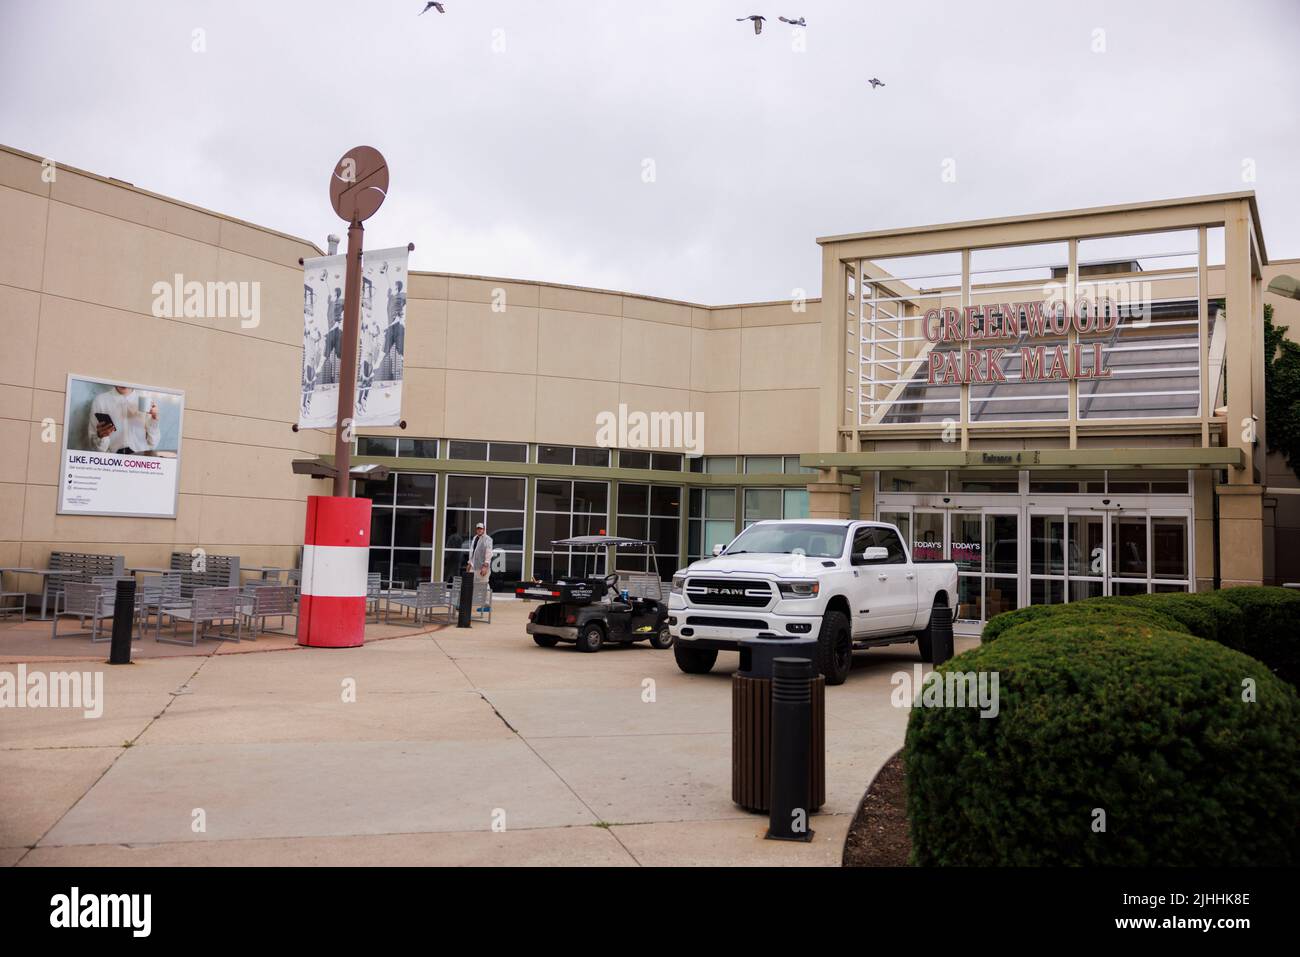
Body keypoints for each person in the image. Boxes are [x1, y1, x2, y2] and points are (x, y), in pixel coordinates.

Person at [88, 386, 159, 455]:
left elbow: (153, 443)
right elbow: (95, 448)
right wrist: (101, 437)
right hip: (112, 462)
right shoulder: (100, 401)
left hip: (140, 461)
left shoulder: (145, 401)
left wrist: (154, 419)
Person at [466, 522, 493, 612]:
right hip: (474, 566)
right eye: (478, 528)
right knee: (469, 583)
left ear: (484, 529)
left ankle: (487, 605)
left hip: (482, 567)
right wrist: (469, 563)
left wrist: (485, 566)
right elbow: (473, 552)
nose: (479, 530)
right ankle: (465, 602)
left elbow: (489, 553)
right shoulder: (475, 538)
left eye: (481, 528)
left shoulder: (487, 539)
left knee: (484, 585)